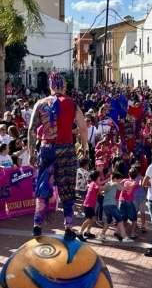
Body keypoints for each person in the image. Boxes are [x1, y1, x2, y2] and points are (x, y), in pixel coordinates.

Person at [27, 72, 88, 239]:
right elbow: (83, 127)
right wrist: (85, 148)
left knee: (42, 186)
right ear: (64, 86)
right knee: (67, 188)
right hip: (66, 150)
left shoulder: (40, 103)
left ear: (50, 86)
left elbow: (32, 129)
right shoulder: (72, 103)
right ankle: (68, 227)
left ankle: (37, 225)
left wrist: (31, 151)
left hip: (46, 148)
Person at [78, 170, 100, 240]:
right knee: (89, 219)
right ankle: (80, 233)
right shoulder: (94, 184)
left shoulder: (92, 183)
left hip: (90, 205)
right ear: (97, 177)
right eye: (99, 177)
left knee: (93, 219)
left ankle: (87, 232)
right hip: (88, 205)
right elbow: (100, 189)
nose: (100, 178)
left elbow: (98, 191)